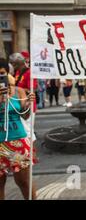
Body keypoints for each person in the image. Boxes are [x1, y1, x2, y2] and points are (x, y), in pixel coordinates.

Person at [0, 58, 37, 200]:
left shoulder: (19, 91)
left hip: (18, 143)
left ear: (8, 73)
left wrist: (28, 104)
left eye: (2, 73)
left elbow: (26, 115)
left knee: (23, 182)